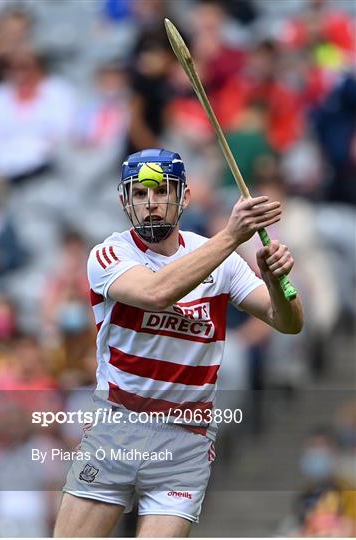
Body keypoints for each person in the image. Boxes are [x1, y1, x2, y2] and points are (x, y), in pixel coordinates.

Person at [54, 148, 303, 537]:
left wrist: (276, 283)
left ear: (184, 197)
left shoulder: (224, 260)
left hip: (185, 439)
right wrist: (232, 235)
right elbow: (157, 293)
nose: (151, 204)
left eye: (162, 191)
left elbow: (287, 322)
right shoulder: (108, 254)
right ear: (124, 201)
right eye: (139, 194)